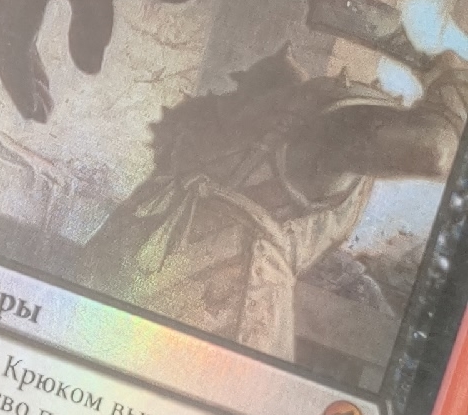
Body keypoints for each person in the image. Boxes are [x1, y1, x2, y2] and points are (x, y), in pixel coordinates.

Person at [76, 44, 468, 363]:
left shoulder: (228, 129)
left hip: (125, 286)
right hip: (212, 312)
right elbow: (434, 151)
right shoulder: (326, 131)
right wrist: (454, 81)